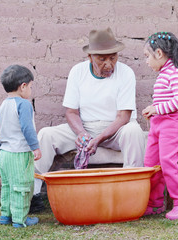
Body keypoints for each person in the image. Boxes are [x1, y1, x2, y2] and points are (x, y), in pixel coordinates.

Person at [30, 28, 146, 213]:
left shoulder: (126, 73)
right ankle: (32, 196)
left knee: (134, 131)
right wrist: (82, 133)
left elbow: (123, 117)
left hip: (116, 128)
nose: (109, 64)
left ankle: (131, 194)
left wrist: (98, 139)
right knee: (46, 135)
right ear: (90, 57)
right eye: (102, 59)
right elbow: (71, 112)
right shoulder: (78, 72)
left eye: (113, 57)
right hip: (86, 127)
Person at [142, 32, 178, 220]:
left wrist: (156, 109)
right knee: (151, 165)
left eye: (147, 56)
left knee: (167, 162)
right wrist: (154, 113)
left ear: (159, 53)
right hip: (158, 125)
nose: (147, 61)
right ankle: (155, 203)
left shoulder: (175, 73)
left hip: (172, 124)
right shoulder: (163, 74)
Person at [0, 65, 41, 227]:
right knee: (22, 186)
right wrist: (35, 147)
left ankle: (5, 216)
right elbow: (27, 128)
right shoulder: (24, 104)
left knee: (7, 186)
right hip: (19, 153)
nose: (31, 91)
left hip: (5, 153)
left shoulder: (3, 106)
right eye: (31, 87)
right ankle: (20, 219)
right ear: (23, 86)